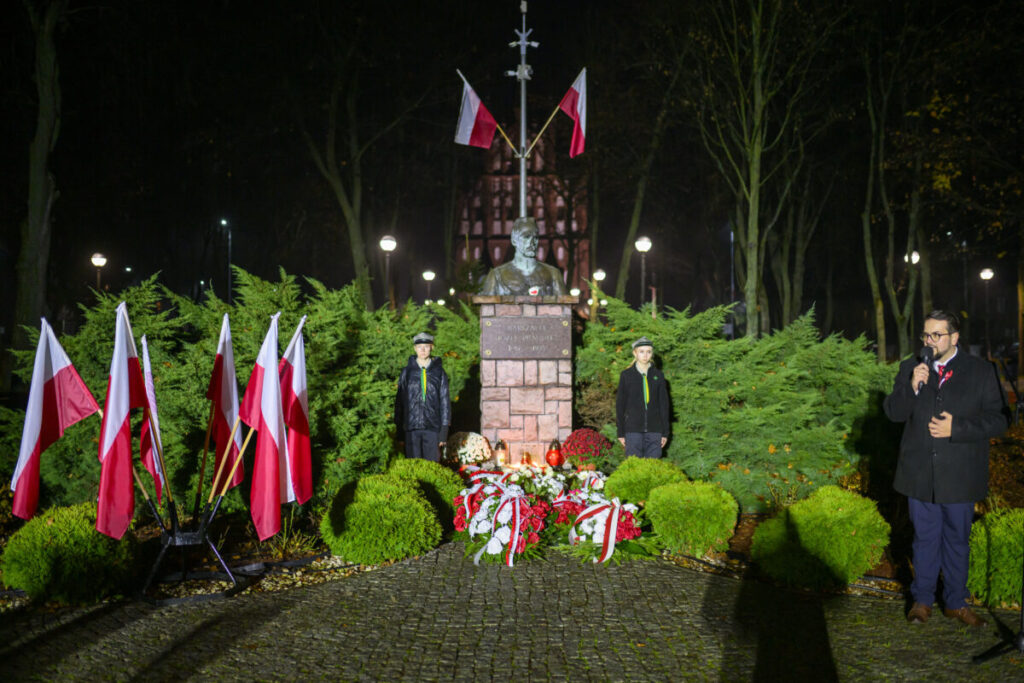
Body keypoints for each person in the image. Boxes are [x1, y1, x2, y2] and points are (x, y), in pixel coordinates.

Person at [883, 310, 1008, 627]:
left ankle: (955, 602)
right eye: (926, 335)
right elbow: (894, 414)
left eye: (936, 335)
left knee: (956, 540)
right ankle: (921, 602)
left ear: (954, 338)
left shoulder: (982, 372)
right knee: (923, 539)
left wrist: (958, 428)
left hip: (960, 474)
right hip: (920, 473)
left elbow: (1001, 419)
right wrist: (912, 387)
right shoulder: (911, 368)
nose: (929, 341)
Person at [394, 332, 451, 461]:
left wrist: (443, 431)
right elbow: (400, 402)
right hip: (411, 428)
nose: (423, 350)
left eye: (426, 346)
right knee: (413, 467)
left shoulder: (439, 372)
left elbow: (445, 402)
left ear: (432, 347)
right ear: (415, 348)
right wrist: (399, 431)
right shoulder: (407, 372)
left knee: (432, 467)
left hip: (432, 428)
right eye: (419, 347)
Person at [479, 217, 568, 296]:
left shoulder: (553, 275)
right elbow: (488, 309)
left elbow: (564, 309)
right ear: (514, 240)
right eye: (526, 236)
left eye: (535, 237)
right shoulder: (496, 276)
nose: (532, 242)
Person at [616, 336, 670, 458]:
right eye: (641, 351)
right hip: (633, 430)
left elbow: (664, 405)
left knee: (652, 467)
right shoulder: (626, 375)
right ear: (635, 353)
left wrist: (665, 433)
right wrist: (621, 432)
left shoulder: (658, 375)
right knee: (634, 468)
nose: (645, 355)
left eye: (648, 352)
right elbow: (620, 405)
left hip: (654, 431)